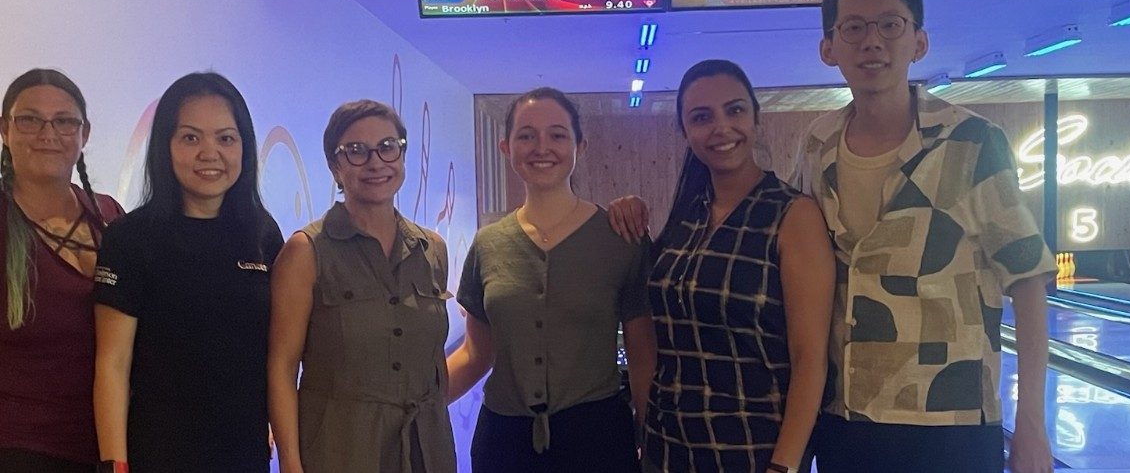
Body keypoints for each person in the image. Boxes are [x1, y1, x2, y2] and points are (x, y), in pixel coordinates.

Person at [794, 0, 1055, 473]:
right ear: (828, 47)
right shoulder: (817, 143)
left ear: (919, 41)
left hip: (951, 421)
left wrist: (1032, 426)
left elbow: (1027, 279)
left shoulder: (974, 142)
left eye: (890, 25)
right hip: (847, 417)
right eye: (853, 28)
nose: (872, 41)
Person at [641, 60, 835, 473]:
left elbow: (810, 358)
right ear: (685, 131)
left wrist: (784, 465)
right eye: (701, 117)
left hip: (751, 449)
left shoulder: (792, 214)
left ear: (755, 118)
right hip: (668, 446)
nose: (721, 127)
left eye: (735, 110)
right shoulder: (686, 216)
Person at [447, 88, 655, 473]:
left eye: (557, 135)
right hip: (503, 443)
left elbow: (643, 357)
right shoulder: (488, 244)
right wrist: (409, 402)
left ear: (580, 145)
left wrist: (650, 440)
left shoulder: (621, 238)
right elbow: (477, 354)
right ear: (506, 147)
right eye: (526, 135)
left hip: (598, 440)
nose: (541, 147)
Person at [94, 72, 283, 472]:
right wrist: (114, 464)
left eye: (226, 138)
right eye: (190, 137)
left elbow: (278, 357)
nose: (209, 153)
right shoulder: (130, 237)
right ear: (165, 146)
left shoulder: (262, 234)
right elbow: (113, 363)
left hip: (243, 454)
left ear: (244, 147)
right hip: (158, 453)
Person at [267, 100, 455, 473]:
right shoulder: (306, 251)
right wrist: (290, 461)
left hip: (426, 450)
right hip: (340, 448)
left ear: (402, 155)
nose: (375, 162)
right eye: (356, 151)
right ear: (335, 167)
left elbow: (433, 363)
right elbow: (282, 367)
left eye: (388, 147)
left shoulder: (432, 249)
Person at [0, 69, 123, 473]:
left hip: (108, 445)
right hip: (18, 447)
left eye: (64, 121)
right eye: (30, 119)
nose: (47, 133)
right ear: (5, 130)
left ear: (84, 133)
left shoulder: (109, 216)